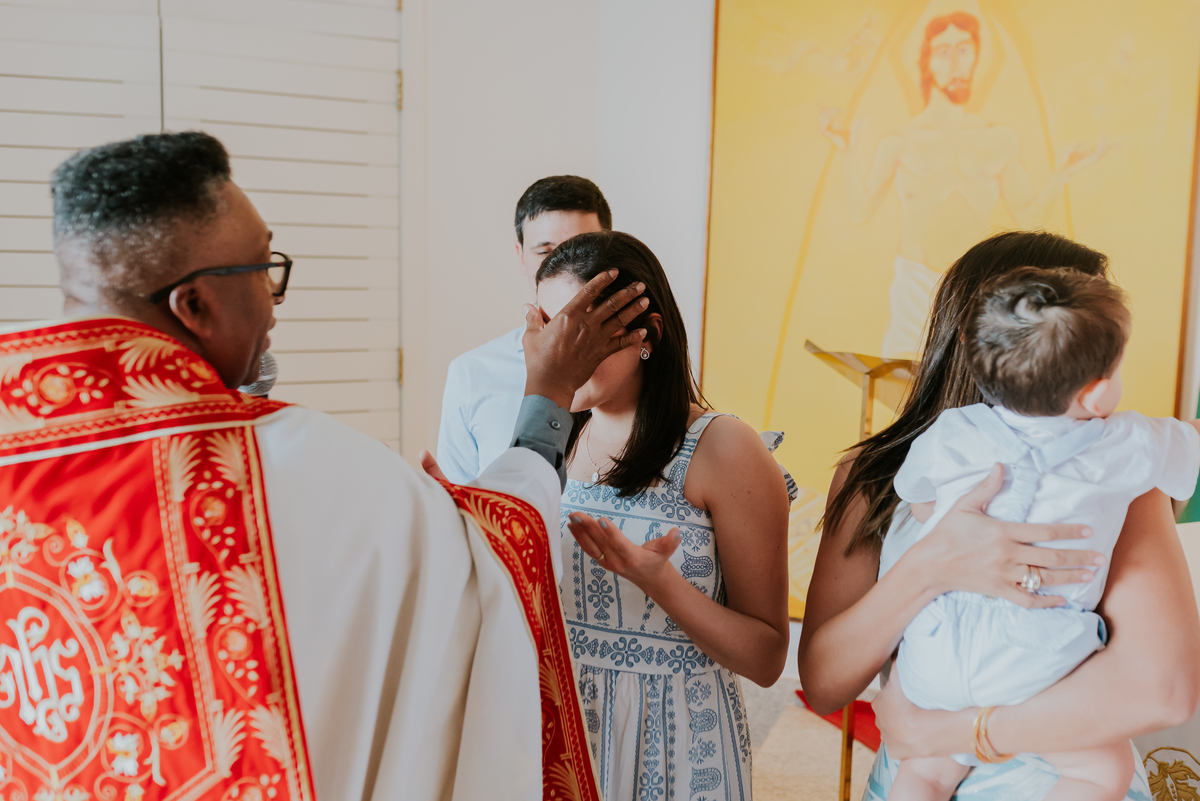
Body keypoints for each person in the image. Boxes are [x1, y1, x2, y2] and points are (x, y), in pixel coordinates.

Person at [21, 132, 648, 801]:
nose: (274, 300)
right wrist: (547, 397)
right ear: (196, 305)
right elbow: (490, 560)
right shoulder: (288, 466)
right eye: (264, 269)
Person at [796, 230, 1200, 799]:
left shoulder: (1118, 485)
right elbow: (824, 683)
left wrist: (955, 731)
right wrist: (932, 565)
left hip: (991, 767)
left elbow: (1162, 688)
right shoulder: (871, 474)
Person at [539, 232, 790, 801]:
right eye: (547, 327)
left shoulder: (723, 449)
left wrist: (660, 583)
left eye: (578, 330)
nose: (558, 351)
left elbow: (767, 657)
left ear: (645, 334)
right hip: (566, 724)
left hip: (676, 739)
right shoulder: (550, 435)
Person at [821, 12, 1106, 357]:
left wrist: (1060, 175)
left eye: (965, 50)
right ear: (926, 63)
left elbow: (1028, 215)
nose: (956, 63)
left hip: (979, 291)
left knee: (972, 394)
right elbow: (860, 208)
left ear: (977, 59)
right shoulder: (900, 142)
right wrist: (847, 154)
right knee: (901, 388)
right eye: (944, 52)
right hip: (914, 286)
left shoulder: (999, 140)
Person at [437, 176, 612, 483]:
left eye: (582, 250)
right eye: (546, 253)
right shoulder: (471, 374)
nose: (567, 269)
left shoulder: (641, 358)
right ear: (521, 256)